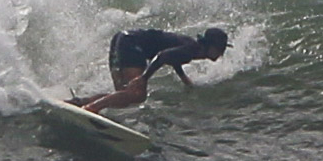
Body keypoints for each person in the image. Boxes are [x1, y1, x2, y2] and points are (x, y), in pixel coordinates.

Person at [74, 27, 230, 114]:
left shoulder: (190, 47)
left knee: (123, 94)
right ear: (209, 45)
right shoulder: (191, 49)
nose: (221, 53)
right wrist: (144, 78)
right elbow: (163, 55)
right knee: (137, 94)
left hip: (122, 38)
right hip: (132, 43)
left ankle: (80, 103)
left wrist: (184, 78)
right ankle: (92, 108)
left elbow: (173, 58)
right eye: (220, 48)